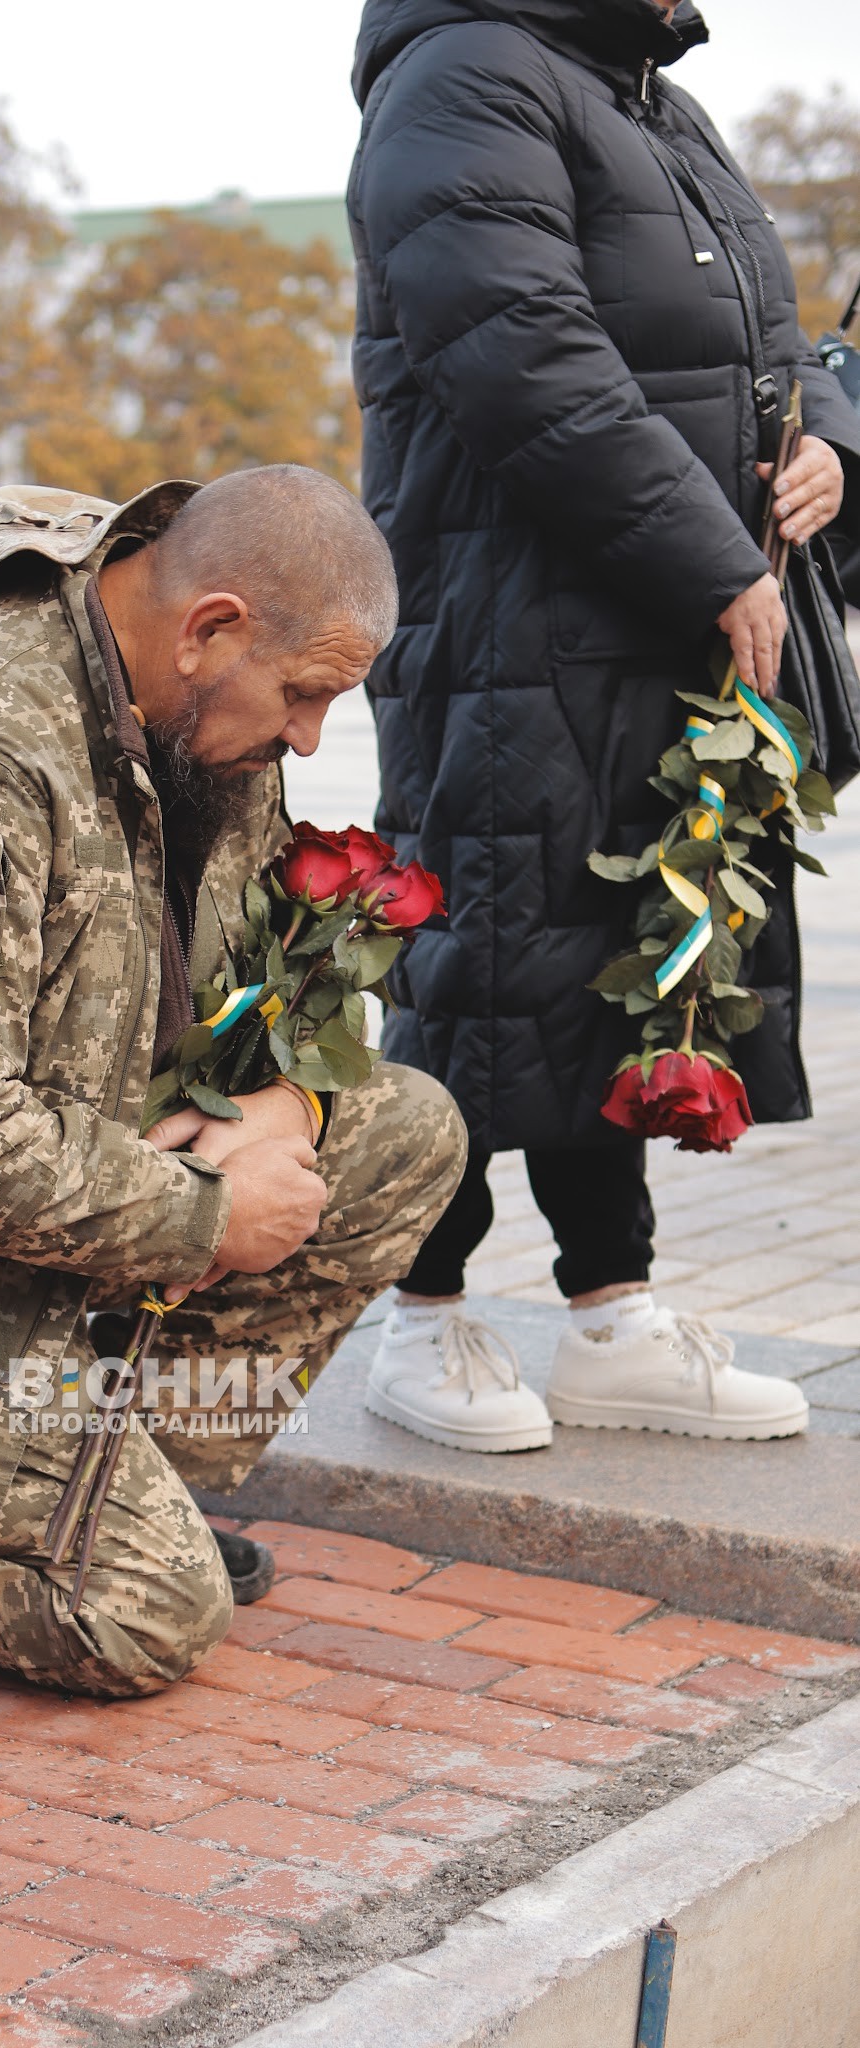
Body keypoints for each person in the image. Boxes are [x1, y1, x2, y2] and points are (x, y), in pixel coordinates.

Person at [0, 470, 467, 1696]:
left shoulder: (193, 718)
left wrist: (289, 1106)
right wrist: (205, 1212)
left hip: (61, 1200)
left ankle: (108, 1476)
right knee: (143, 1616)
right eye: (304, 695)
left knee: (404, 1132)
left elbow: (275, 972)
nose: (307, 738)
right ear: (210, 629)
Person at [347, 0, 860, 1452]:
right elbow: (524, 355)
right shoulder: (459, 80)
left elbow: (762, 333)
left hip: (645, 629)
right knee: (477, 961)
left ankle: (608, 1316)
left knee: (611, 966)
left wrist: (824, 441)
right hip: (507, 629)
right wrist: (707, 558)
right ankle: (421, 1317)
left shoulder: (649, 105)